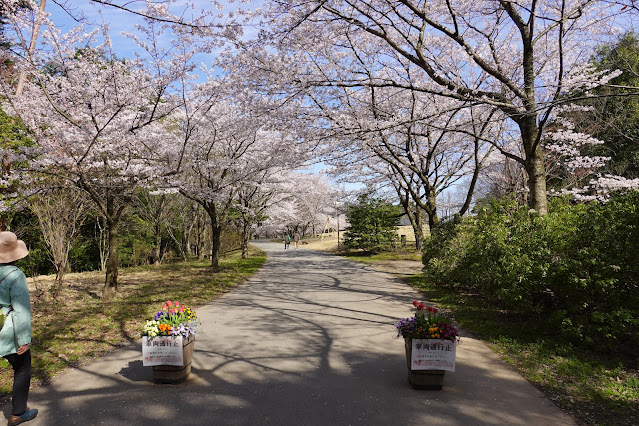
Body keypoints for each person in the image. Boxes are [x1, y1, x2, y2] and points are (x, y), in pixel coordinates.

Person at [0, 231, 38, 426]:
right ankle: (18, 412)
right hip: (6, 331)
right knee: (22, 367)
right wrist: (23, 339)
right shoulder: (15, 275)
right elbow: (21, 310)